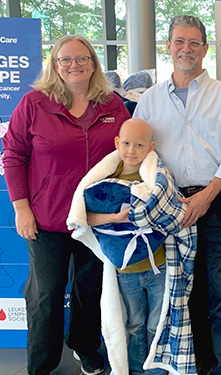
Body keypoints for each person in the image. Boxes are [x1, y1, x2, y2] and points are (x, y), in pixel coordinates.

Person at [3, 35, 131, 375]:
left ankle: (84, 345)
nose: (74, 65)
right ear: (54, 65)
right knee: (45, 295)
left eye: (82, 58)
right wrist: (21, 208)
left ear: (93, 63)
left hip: (95, 217)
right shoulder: (34, 103)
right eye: (65, 59)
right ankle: (41, 363)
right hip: (46, 218)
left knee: (89, 288)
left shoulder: (112, 105)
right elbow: (13, 155)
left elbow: (126, 154)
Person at [133, 15, 221, 375]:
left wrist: (207, 196)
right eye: (179, 41)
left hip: (218, 202)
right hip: (169, 206)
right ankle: (196, 366)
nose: (186, 49)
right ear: (168, 47)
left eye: (194, 42)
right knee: (184, 294)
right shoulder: (149, 100)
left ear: (205, 49)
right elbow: (138, 153)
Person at [84, 118, 166, 375]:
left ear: (150, 147)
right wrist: (114, 218)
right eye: (127, 143)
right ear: (117, 143)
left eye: (139, 145)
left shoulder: (158, 177)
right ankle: (136, 370)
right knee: (134, 323)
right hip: (126, 271)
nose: (132, 150)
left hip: (158, 266)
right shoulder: (105, 178)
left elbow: (169, 210)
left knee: (158, 323)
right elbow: (84, 217)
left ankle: (155, 370)